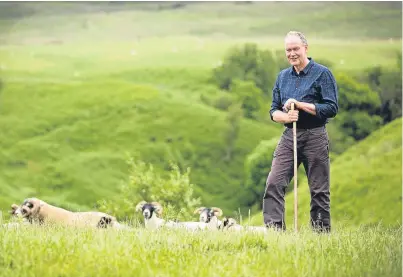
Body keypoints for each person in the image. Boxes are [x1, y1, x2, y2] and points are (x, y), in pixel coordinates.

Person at [262, 31, 339, 232]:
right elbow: (273, 110)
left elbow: (331, 108)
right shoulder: (282, 77)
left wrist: (301, 105)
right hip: (290, 136)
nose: (292, 53)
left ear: (306, 48)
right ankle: (275, 232)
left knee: (319, 189)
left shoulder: (323, 74)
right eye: (288, 50)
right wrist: (286, 117)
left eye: (295, 48)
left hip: (315, 135)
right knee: (274, 182)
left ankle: (321, 236)